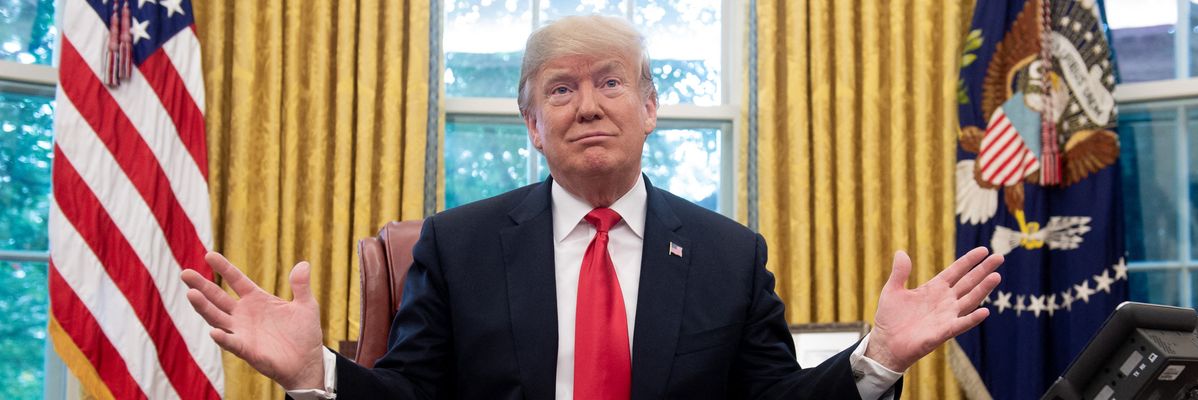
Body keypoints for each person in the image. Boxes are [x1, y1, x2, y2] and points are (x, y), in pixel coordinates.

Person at [181, 15, 1003, 399]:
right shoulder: (458, 245)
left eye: (610, 82)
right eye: (561, 91)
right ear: (533, 127)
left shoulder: (729, 253)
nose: (588, 106)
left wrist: (876, 359)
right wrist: (315, 371)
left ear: (650, 106)